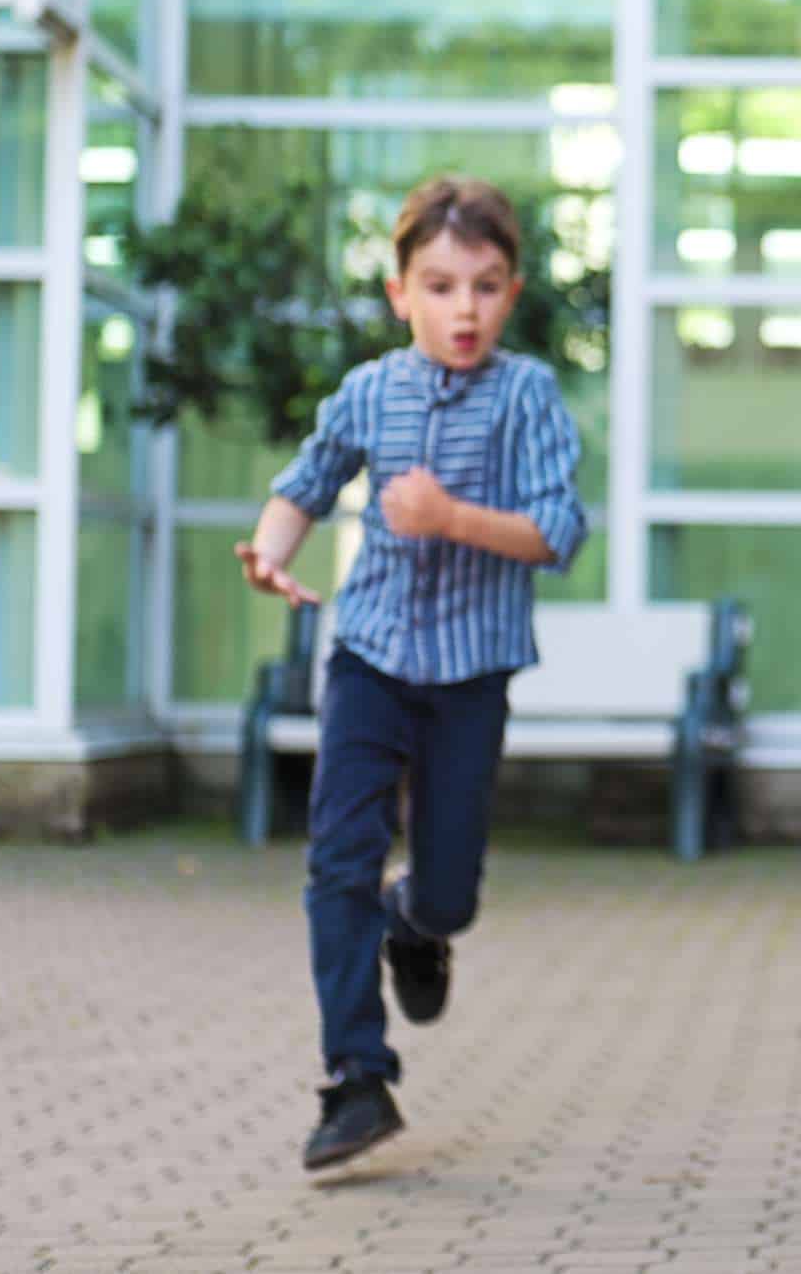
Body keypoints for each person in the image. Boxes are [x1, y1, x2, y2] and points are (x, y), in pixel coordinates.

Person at [235, 176, 587, 1172]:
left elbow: (558, 532)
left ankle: (416, 925)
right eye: (438, 287)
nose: (462, 310)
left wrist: (452, 519)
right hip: (371, 659)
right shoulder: (368, 390)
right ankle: (355, 1079)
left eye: (482, 287)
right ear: (400, 293)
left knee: (449, 891)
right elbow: (302, 485)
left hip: (472, 672)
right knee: (336, 859)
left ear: (510, 293)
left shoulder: (529, 397)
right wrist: (270, 550)